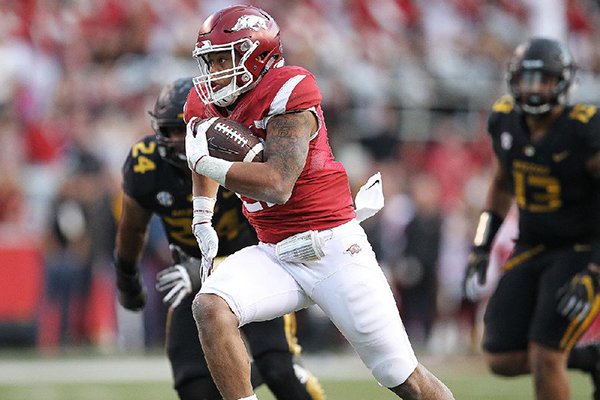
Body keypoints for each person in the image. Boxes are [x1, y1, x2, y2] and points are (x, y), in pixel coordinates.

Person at [183, 5, 454, 400]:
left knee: (404, 377)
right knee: (210, 307)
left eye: (223, 58)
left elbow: (278, 184)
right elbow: (202, 146)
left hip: (332, 249)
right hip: (274, 252)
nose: (214, 72)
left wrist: (210, 165)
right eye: (209, 61)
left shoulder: (290, 88)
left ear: (255, 53)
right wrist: (202, 216)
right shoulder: (204, 102)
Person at [113, 77, 325, 400]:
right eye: (172, 130)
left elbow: (271, 232)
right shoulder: (146, 165)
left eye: (187, 128)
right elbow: (132, 227)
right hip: (192, 275)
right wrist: (126, 275)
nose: (180, 139)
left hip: (257, 267)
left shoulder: (239, 152)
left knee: (276, 367)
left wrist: (202, 270)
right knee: (194, 385)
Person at [462, 37, 600, 400]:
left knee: (545, 355)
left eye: (544, 80)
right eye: (528, 79)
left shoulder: (584, 130)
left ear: (564, 83)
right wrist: (481, 245)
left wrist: (595, 272)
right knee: (500, 357)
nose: (534, 89)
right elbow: (501, 186)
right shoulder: (505, 120)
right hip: (533, 244)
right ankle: (591, 358)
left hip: (581, 248)